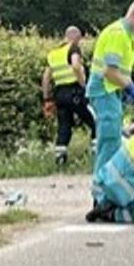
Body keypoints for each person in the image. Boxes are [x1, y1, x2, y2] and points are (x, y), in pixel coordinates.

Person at [87, 0, 134, 196]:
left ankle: (104, 190)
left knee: (112, 141)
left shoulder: (126, 35)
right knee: (109, 142)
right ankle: (101, 194)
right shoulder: (118, 34)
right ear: (133, 13)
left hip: (109, 91)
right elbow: (109, 71)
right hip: (104, 90)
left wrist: (125, 85)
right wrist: (129, 86)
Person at [42, 26, 95, 166]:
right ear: (76, 38)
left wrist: (47, 99)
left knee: (64, 125)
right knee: (95, 121)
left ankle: (60, 158)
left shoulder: (53, 54)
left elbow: (46, 78)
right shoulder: (73, 48)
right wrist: (84, 84)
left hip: (59, 95)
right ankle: (96, 155)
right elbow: (76, 66)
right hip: (75, 92)